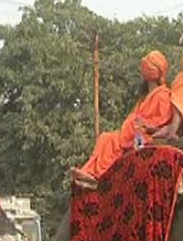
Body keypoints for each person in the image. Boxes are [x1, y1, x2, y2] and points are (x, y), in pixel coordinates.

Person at [75, 50, 175, 184]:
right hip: (132, 132)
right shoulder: (145, 97)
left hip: (143, 137)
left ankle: (99, 175)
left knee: (111, 142)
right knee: (105, 138)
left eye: (148, 68)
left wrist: (142, 125)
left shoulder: (163, 95)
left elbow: (160, 121)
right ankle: (89, 171)